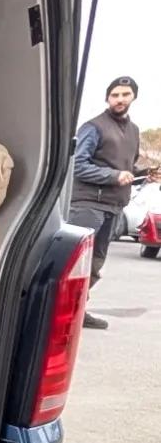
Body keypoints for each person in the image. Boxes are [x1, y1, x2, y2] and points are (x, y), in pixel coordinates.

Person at [69, 75, 161, 329]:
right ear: (107, 98)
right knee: (75, 262)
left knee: (95, 263)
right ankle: (58, 311)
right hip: (88, 205)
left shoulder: (133, 131)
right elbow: (79, 165)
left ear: (133, 97)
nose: (120, 99)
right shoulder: (93, 127)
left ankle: (77, 310)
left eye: (125, 95)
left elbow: (127, 167)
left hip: (114, 206)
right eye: (115, 95)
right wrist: (113, 176)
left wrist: (145, 173)